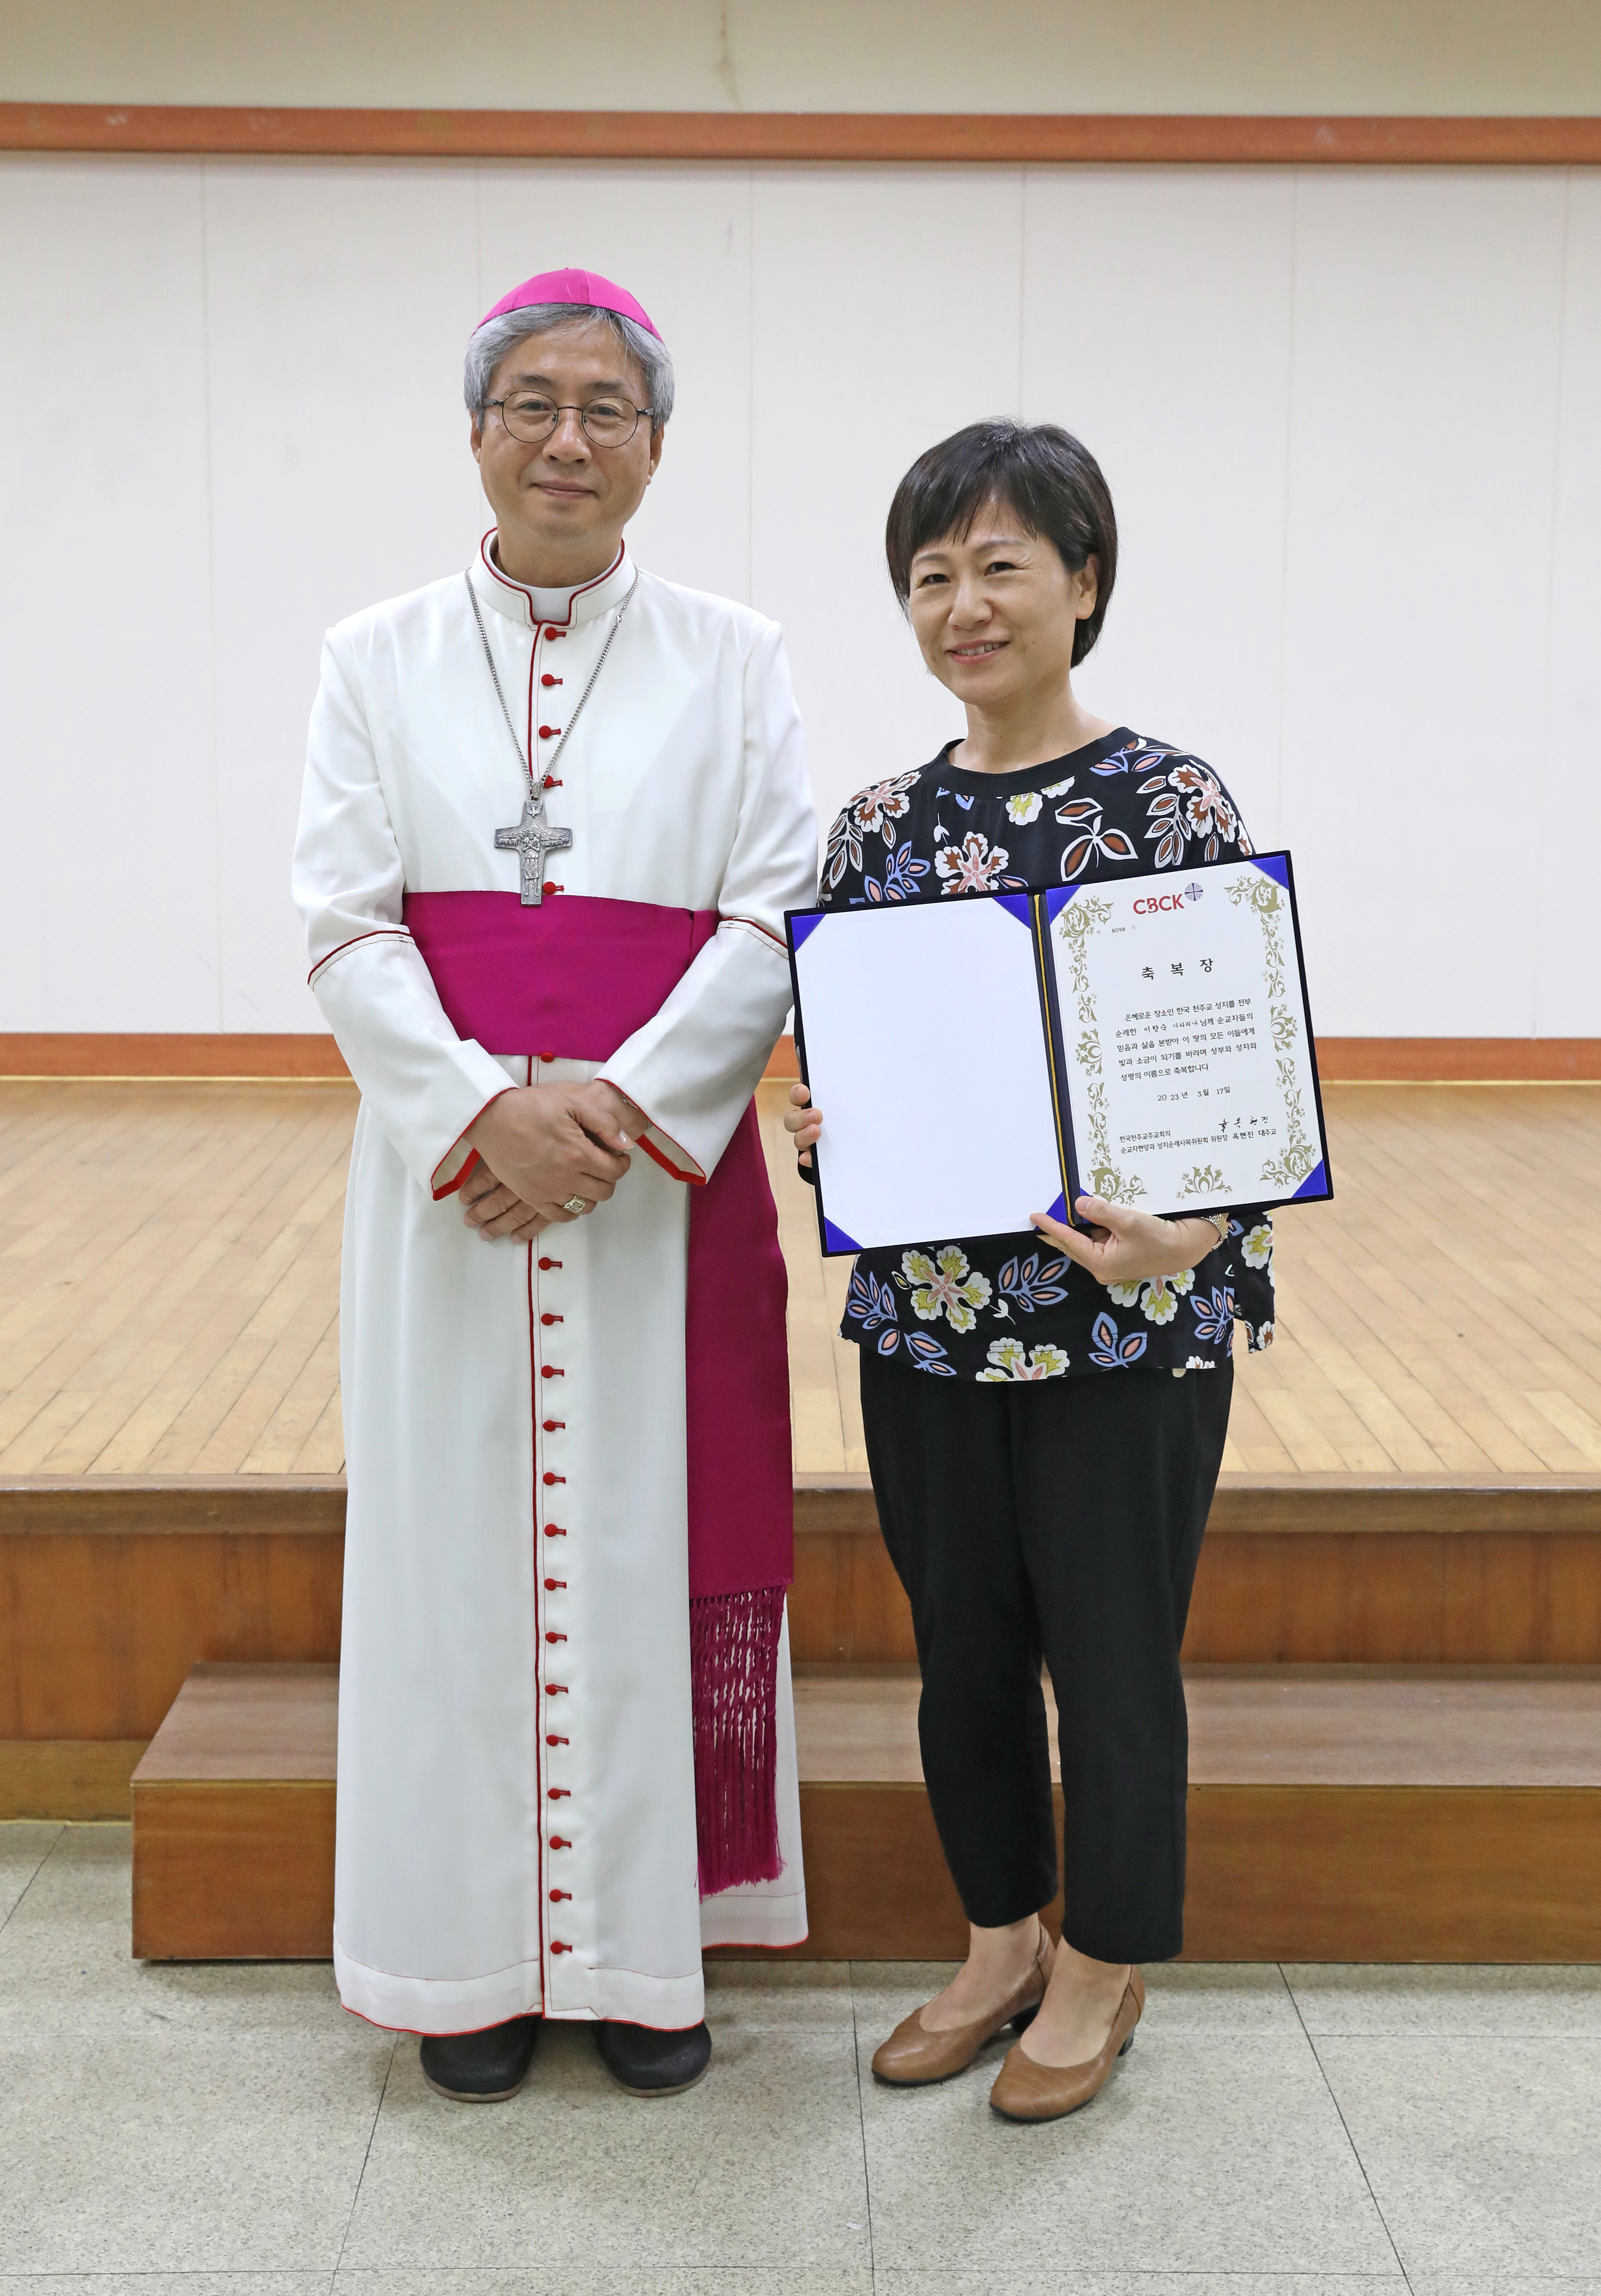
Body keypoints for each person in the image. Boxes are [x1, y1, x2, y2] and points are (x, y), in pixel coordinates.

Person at [292, 268, 817, 2103]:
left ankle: (642, 1957)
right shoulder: (371, 655)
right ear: (477, 430)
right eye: (533, 400)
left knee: (639, 1540)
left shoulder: (738, 654)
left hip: (652, 1192)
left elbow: (772, 911)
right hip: (450, 1199)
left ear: (656, 447)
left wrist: (608, 1113)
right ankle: (470, 1963)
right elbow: (344, 925)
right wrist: (474, 1112)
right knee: (457, 1566)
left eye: (606, 405)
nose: (568, 436)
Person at [786, 419, 1275, 2123]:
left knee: (1113, 1656)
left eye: (999, 565)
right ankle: (999, 1936)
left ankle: (1101, 1962)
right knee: (962, 1655)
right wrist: (824, 1136)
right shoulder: (871, 824)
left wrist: (1188, 1237)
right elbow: (849, 1072)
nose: (961, 604)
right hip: (926, 1331)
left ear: (1082, 581)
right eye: (929, 575)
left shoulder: (1166, 801)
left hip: (1128, 1321)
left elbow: (1239, 1060)